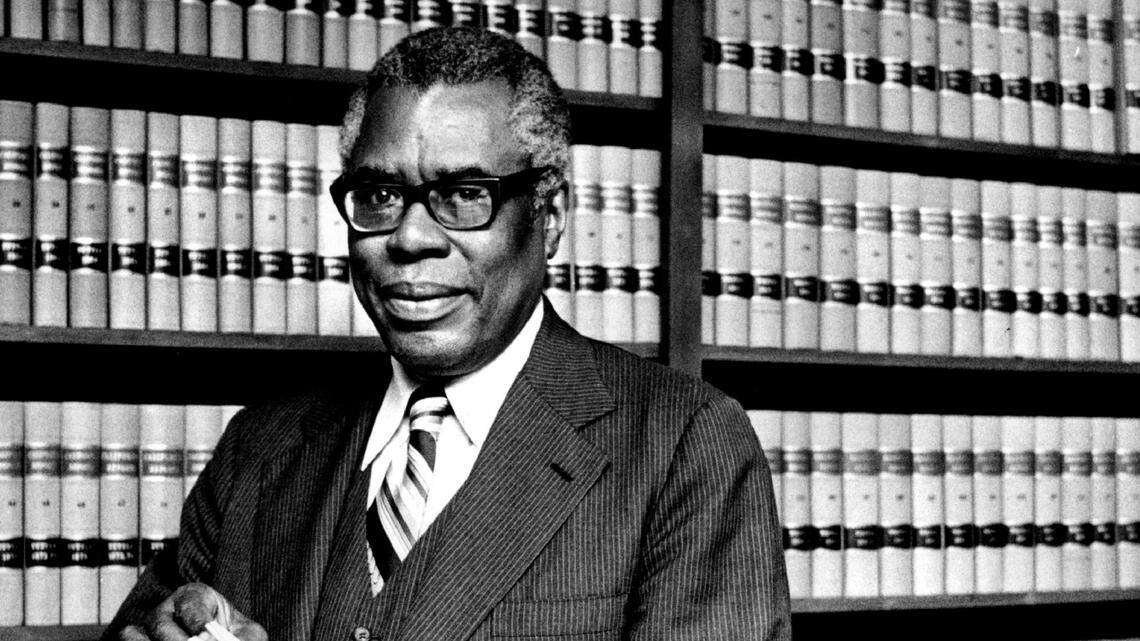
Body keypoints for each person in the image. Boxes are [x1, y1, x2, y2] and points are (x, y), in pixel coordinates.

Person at [107, 26, 790, 641]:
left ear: (548, 216)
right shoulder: (259, 447)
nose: (408, 237)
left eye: (465, 194)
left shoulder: (684, 445)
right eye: (379, 194)